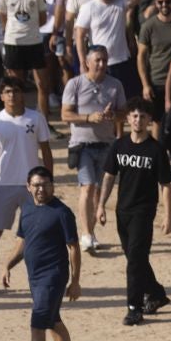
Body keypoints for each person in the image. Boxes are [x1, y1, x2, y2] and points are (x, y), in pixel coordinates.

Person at [0, 77, 57, 295]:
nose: (12, 95)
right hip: (4, 185)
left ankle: (36, 276)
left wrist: (49, 181)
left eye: (16, 91)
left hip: (33, 186)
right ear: (1, 96)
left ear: (22, 94)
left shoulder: (36, 118)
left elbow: (46, 151)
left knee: (35, 233)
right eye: (8, 91)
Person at [1, 166, 81, 341]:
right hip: (35, 278)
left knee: (37, 327)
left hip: (53, 277)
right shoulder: (27, 208)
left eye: (45, 185)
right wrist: (8, 264)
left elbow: (73, 247)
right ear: (28, 186)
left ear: (52, 185)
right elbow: (23, 241)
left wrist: (75, 281)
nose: (41, 189)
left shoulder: (62, 213)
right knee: (53, 321)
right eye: (36, 185)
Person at [100, 100, 171, 325]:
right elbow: (109, 177)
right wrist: (101, 205)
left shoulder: (156, 150)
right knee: (136, 258)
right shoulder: (119, 145)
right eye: (134, 116)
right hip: (122, 210)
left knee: (134, 260)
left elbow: (165, 185)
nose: (138, 120)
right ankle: (157, 293)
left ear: (149, 120)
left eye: (142, 116)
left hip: (144, 211)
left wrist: (168, 215)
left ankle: (134, 307)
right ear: (127, 119)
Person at [60, 44, 126, 253]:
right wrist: (89, 118)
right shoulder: (75, 84)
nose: (101, 64)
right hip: (83, 146)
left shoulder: (115, 85)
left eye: (104, 60)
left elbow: (124, 113)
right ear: (87, 62)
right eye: (97, 60)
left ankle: (92, 232)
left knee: (99, 190)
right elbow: (65, 114)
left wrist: (113, 116)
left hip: (107, 144)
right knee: (87, 187)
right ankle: (86, 234)